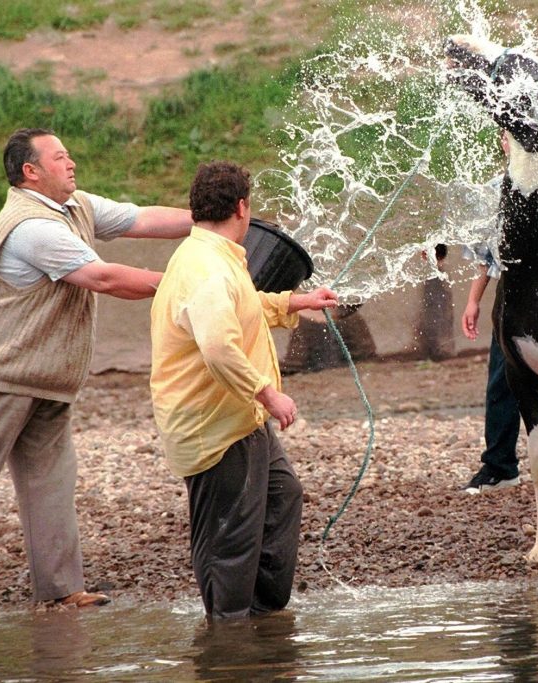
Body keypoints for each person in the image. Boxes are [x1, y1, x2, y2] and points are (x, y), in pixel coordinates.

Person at [0, 128, 194, 622]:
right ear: (30, 172)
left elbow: (141, 219)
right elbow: (103, 278)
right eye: (60, 158)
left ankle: (61, 591)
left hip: (46, 376)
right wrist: (197, 284)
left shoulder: (76, 205)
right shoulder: (31, 227)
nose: (72, 163)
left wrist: (210, 224)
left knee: (51, 482)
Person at [149, 161, 338, 620]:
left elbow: (243, 306)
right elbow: (217, 346)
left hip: (239, 417)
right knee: (229, 540)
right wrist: (268, 394)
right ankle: (228, 638)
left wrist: (297, 301)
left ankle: (266, 617)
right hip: (213, 425)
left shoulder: (214, 258)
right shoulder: (206, 269)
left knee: (283, 495)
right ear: (241, 207)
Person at [460, 130, 538, 495]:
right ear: (503, 142)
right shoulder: (494, 190)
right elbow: (486, 256)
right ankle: (499, 466)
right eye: (509, 138)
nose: (516, 144)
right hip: (511, 301)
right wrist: (473, 300)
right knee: (501, 383)